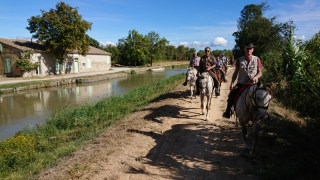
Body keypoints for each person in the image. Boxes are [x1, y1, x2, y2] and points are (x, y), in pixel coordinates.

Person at [222, 43, 263, 118]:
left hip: (254, 83)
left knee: (263, 94)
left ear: (253, 50)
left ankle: (263, 113)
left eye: (250, 49)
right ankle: (228, 111)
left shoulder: (257, 59)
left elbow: (260, 72)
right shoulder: (239, 60)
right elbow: (235, 73)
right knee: (232, 94)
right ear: (244, 49)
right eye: (247, 48)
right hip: (242, 83)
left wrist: (256, 77)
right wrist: (232, 83)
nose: (248, 50)